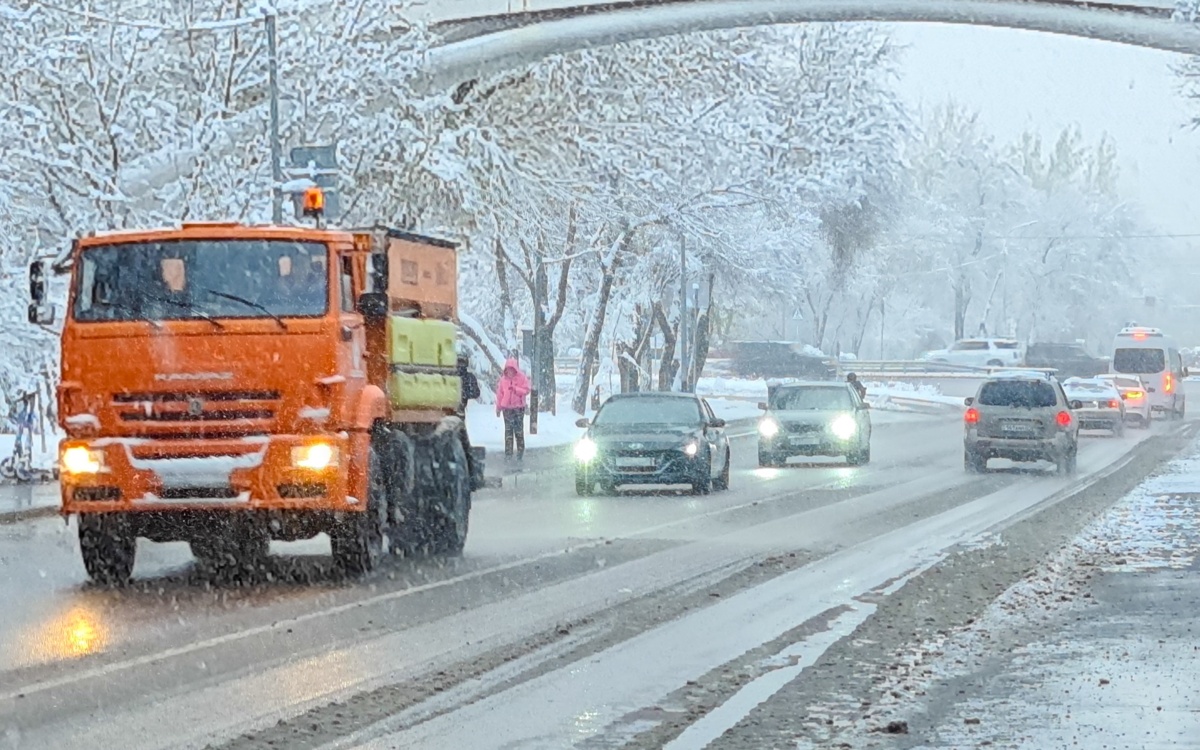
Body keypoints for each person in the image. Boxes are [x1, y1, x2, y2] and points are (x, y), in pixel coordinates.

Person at [495, 358, 531, 462]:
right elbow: (500, 395)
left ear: (515, 369)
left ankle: (520, 452)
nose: (509, 372)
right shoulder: (503, 380)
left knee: (519, 432)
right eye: (508, 370)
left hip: (518, 408)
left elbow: (526, 390)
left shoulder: (522, 378)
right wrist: (498, 408)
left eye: (511, 370)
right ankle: (508, 453)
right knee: (508, 432)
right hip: (507, 409)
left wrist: (516, 390)